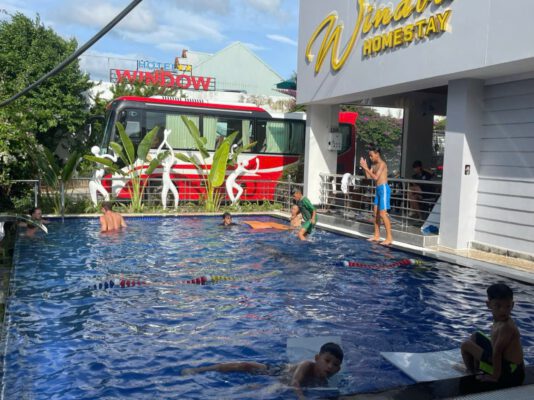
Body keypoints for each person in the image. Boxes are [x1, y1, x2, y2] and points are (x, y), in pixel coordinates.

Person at [182, 342, 343, 399]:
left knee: (264, 391)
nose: (330, 366)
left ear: (338, 369)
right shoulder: (307, 364)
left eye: (335, 365)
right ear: (317, 358)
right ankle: (200, 369)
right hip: (277, 371)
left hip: (282, 382)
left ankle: (231, 394)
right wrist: (301, 397)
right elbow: (295, 381)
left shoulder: (324, 382)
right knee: (245, 365)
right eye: (327, 361)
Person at [460, 283, 524, 388]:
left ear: (512, 305)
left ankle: (471, 373)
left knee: (465, 345)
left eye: (507, 306)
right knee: (476, 336)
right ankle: (476, 368)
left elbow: (497, 353)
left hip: (511, 373)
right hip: (506, 363)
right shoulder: (500, 321)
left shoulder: (506, 327)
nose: (503, 310)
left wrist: (494, 377)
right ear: (488, 304)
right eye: (498, 306)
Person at [359, 146, 393, 245]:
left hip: (384, 189)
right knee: (376, 214)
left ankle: (389, 238)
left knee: (383, 214)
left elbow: (376, 177)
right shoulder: (373, 165)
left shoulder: (382, 164)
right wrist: (364, 167)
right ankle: (377, 236)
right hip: (378, 190)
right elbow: (368, 177)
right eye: (369, 156)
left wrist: (366, 167)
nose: (370, 157)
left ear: (377, 154)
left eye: (371, 155)